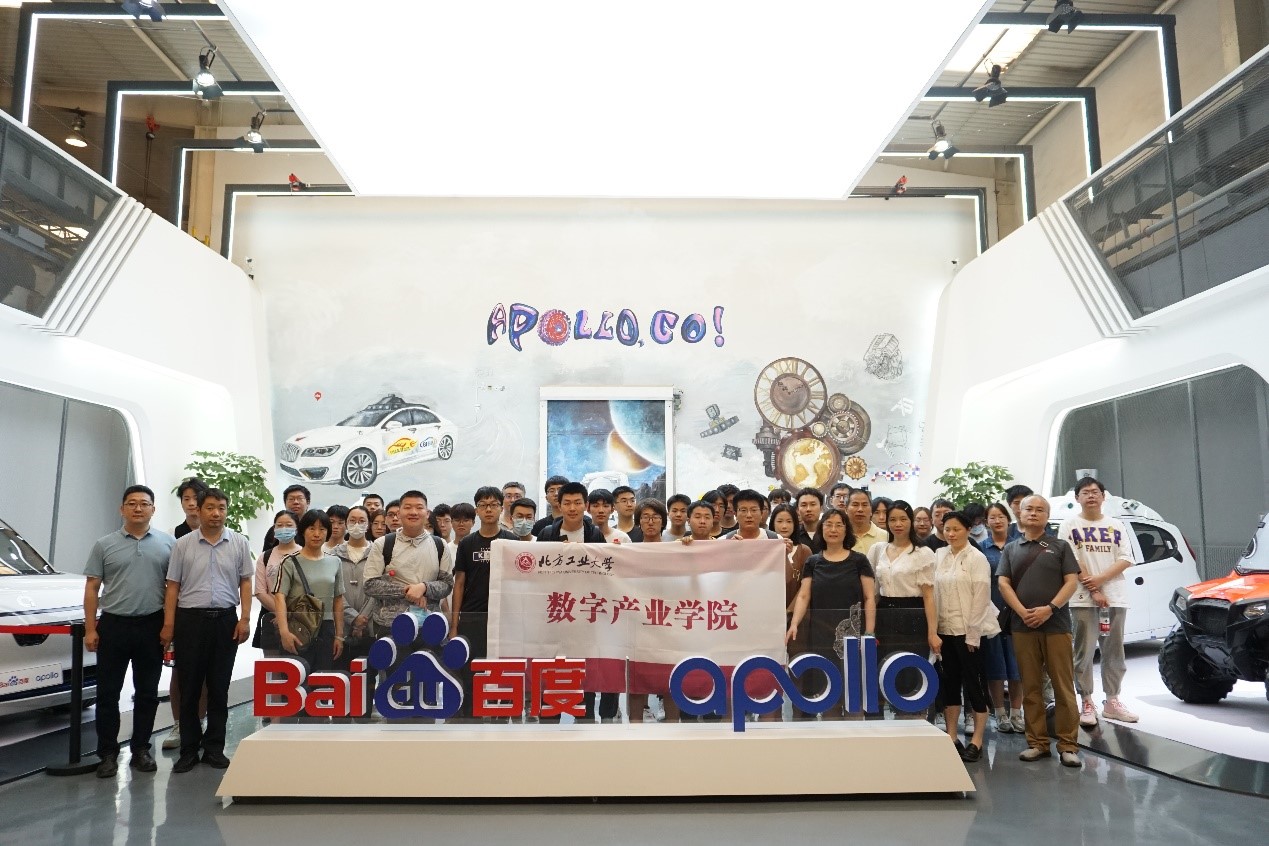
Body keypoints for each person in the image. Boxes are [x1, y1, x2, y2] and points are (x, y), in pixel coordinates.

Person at [84, 485, 174, 778]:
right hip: (114, 625)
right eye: (132, 503)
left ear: (153, 509)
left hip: (152, 625)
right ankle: (108, 754)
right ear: (122, 509)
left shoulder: (168, 544)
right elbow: (92, 587)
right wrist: (90, 628)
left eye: (144, 503)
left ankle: (141, 750)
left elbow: (173, 588)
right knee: (108, 694)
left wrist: (169, 625)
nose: (138, 508)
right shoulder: (104, 545)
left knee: (147, 693)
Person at [161, 488, 253, 773]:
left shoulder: (239, 542)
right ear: (198, 510)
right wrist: (169, 625)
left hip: (225, 621)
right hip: (190, 621)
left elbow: (246, 582)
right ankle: (189, 750)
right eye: (210, 507)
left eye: (221, 508)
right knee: (189, 687)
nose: (216, 513)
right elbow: (173, 586)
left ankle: (214, 748)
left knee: (219, 687)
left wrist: (245, 618)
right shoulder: (183, 544)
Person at [998, 495, 1082, 768]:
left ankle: (1068, 745)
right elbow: (1003, 584)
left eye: (1039, 510)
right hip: (1022, 626)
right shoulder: (1011, 549)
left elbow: (1071, 582)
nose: (1033, 513)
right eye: (1029, 509)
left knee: (1063, 687)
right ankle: (1037, 743)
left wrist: (1050, 608)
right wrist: (1022, 612)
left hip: (1056, 625)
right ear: (1020, 514)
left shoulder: (1060, 546)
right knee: (1030, 686)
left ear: (1047, 516)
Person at [1059, 476, 1138, 726]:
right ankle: (1086, 701)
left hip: (1115, 596)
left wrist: (1100, 581)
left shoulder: (1116, 525)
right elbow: (1071, 559)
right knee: (1083, 652)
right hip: (1082, 598)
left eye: (1095, 491)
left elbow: (1126, 558)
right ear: (1077, 498)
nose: (1091, 495)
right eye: (1085, 492)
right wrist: (1093, 589)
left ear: (1103, 497)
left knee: (1114, 650)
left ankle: (1112, 701)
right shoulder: (1069, 525)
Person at [786, 508, 875, 719]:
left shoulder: (859, 560)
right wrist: (794, 623)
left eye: (838, 525)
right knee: (829, 695)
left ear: (846, 530)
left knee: (853, 695)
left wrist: (869, 633)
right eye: (828, 524)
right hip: (821, 637)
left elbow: (869, 597)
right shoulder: (813, 561)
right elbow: (804, 596)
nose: (833, 529)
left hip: (853, 639)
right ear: (821, 529)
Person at [932, 511, 996, 763]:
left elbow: (981, 598)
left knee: (975, 685)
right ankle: (951, 736)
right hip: (944, 631)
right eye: (947, 529)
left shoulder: (977, 558)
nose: (951, 534)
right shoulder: (939, 555)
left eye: (956, 529)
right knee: (949, 684)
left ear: (968, 530)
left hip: (969, 633)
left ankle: (977, 740)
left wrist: (973, 635)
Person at [866, 500, 939, 716]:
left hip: (913, 615)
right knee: (883, 668)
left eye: (903, 519)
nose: (898, 524)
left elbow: (929, 597)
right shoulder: (878, 549)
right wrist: (869, 627)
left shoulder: (922, 553)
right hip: (885, 614)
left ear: (911, 521)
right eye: (893, 520)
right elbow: (874, 592)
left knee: (909, 671)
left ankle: (909, 718)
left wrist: (932, 632)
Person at [451, 488, 516, 694]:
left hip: (504, 618)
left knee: (503, 670)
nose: (488, 509)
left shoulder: (512, 541)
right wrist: (454, 624)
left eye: (493, 505)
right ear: (477, 511)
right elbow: (459, 583)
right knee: (472, 669)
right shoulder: (467, 543)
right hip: (472, 617)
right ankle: (471, 709)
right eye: (483, 505)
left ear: (501, 508)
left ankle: (501, 709)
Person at [362, 490, 454, 632]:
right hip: (390, 625)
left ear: (427, 513)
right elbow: (369, 584)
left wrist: (424, 588)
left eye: (419, 507)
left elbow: (447, 584)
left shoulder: (439, 545)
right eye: (407, 507)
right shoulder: (383, 543)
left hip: (429, 625)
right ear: (399, 513)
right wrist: (407, 591)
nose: (413, 512)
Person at [273, 509, 345, 682]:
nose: (317, 534)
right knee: (295, 683)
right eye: (312, 528)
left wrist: (339, 635)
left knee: (323, 682)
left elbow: (338, 600)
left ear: (328, 532)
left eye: (322, 529)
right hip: (298, 627)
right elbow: (279, 597)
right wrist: (284, 632)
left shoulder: (335, 562)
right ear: (303, 531)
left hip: (326, 629)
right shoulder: (289, 562)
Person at [164, 477, 208, 750]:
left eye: (196, 498)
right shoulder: (173, 536)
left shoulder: (220, 532)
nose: (191, 504)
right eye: (186, 499)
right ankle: (179, 724)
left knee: (206, 673)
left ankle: (200, 722)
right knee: (180, 671)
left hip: (213, 613)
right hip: (182, 614)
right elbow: (169, 582)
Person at [980, 502, 1024, 733]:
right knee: (995, 665)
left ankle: (1017, 712)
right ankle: (999, 713)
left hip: (1018, 613)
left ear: (1008, 519)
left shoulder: (1020, 546)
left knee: (1017, 666)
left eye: (1001, 516)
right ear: (986, 522)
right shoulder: (981, 549)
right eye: (992, 517)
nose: (997, 521)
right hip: (991, 614)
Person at [330, 505, 375, 677]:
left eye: (362, 521)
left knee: (368, 679)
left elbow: (378, 589)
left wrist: (363, 618)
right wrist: (353, 618)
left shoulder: (378, 553)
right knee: (341, 677)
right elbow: (334, 591)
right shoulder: (333, 555)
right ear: (346, 524)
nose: (357, 525)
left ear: (368, 524)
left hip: (370, 627)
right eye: (352, 521)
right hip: (342, 628)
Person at [253, 511, 302, 658]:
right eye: (279, 525)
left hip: (301, 620)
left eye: (289, 525)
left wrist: (292, 615)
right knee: (273, 665)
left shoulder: (305, 554)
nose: (284, 529)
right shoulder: (265, 556)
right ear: (274, 529)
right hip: (271, 619)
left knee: (299, 665)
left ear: (297, 528)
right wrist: (282, 614)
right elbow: (260, 592)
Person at [769, 503, 812, 609]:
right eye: (779, 521)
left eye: (789, 521)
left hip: (796, 611)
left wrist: (790, 611)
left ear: (795, 524)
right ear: (773, 523)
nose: (784, 526)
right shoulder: (764, 549)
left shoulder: (804, 551)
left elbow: (805, 588)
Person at [537, 483, 606, 543]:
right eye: (567, 503)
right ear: (559, 506)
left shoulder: (596, 534)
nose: (572, 509)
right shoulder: (546, 534)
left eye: (577, 503)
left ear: (586, 505)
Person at [846, 488, 887, 554]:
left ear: (871, 510)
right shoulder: (840, 537)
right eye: (855, 505)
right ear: (846, 509)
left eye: (865, 505)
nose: (860, 509)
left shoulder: (886, 537)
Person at [793, 487, 824, 553]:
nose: (808, 509)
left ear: (821, 508)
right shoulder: (793, 534)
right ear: (798, 510)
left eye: (813, 504)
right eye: (804, 505)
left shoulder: (829, 532)